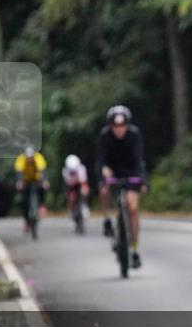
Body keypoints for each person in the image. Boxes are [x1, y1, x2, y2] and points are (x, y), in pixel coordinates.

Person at [96, 105, 147, 269]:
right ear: (111, 126)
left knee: (132, 207)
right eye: (115, 126)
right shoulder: (105, 136)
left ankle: (135, 248)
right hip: (112, 172)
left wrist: (142, 181)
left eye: (122, 126)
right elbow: (101, 159)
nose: (119, 130)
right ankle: (107, 219)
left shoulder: (134, 135)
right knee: (103, 189)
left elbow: (139, 160)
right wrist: (104, 172)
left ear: (127, 125)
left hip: (131, 172)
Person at [14, 146, 49, 232]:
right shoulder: (21, 159)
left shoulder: (38, 157)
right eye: (28, 158)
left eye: (31, 158)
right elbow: (19, 171)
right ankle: (27, 222)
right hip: (25, 180)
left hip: (36, 179)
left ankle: (41, 205)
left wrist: (44, 181)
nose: (29, 159)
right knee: (25, 201)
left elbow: (42, 169)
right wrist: (19, 182)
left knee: (43, 188)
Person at [62, 154, 90, 223]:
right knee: (71, 197)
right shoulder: (65, 171)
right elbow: (68, 183)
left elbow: (84, 181)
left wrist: (76, 180)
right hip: (71, 187)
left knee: (84, 191)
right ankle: (71, 210)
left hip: (80, 184)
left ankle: (84, 205)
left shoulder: (82, 168)